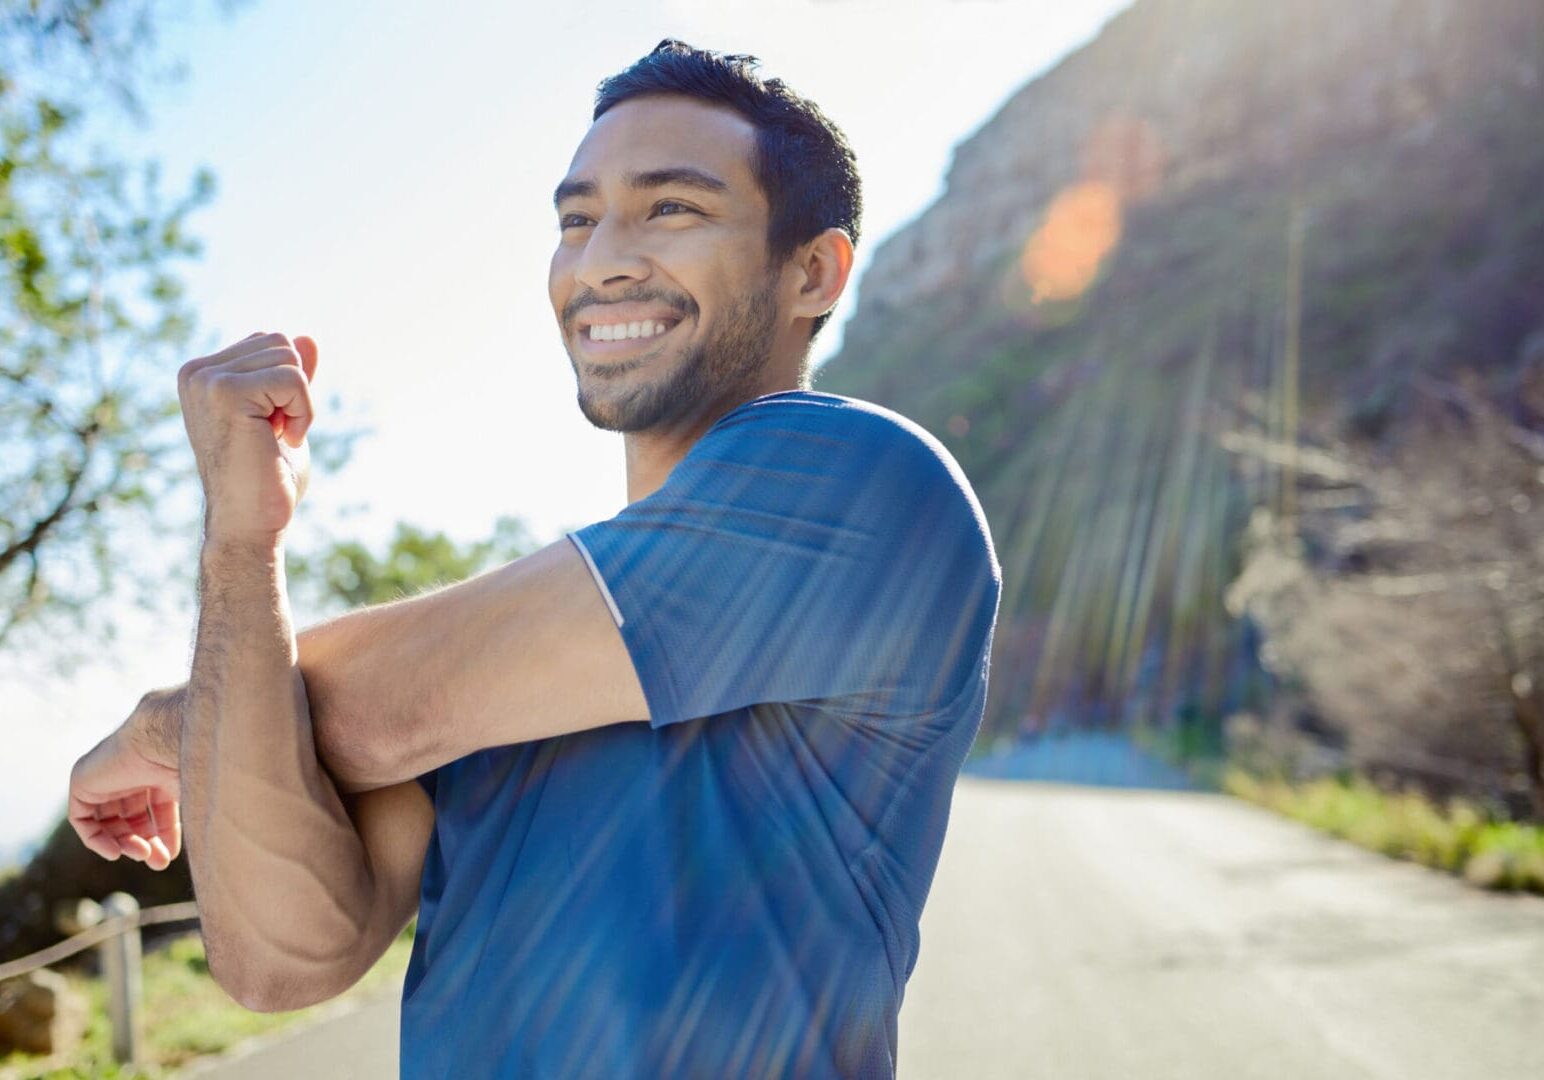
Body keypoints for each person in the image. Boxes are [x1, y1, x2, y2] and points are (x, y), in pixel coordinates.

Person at [66, 39, 1001, 1078]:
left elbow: (376, 710)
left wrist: (169, 724)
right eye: (575, 218)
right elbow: (280, 962)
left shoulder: (856, 480)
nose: (600, 258)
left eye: (671, 209)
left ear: (811, 271)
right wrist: (242, 544)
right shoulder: (510, 658)